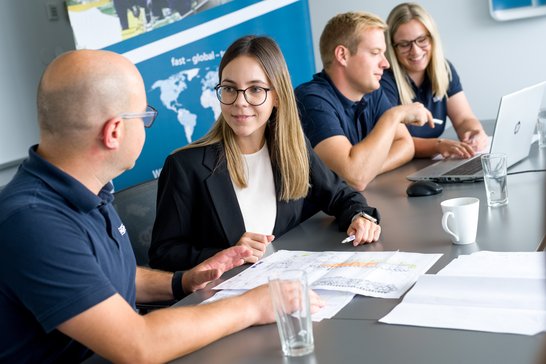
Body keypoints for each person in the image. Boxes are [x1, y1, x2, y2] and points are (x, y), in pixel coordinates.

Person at [0, 49, 323, 363]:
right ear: (114, 131)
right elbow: (138, 345)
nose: (146, 125)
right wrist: (254, 306)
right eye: (144, 116)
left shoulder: (87, 191)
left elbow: (105, 277)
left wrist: (184, 280)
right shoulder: (34, 221)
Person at [149, 35, 381, 272]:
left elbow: (342, 196)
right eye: (229, 89)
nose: (240, 101)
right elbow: (163, 254)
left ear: (277, 96)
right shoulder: (185, 166)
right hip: (225, 300)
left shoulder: (292, 150)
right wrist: (226, 255)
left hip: (283, 285)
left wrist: (360, 217)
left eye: (255, 89)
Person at [295, 11, 434, 192]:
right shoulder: (311, 99)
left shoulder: (371, 93)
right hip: (314, 219)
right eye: (375, 53)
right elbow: (356, 177)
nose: (385, 63)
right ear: (342, 55)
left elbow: (406, 146)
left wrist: (370, 167)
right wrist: (395, 114)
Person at [381, 2, 488, 159]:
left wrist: (474, 133)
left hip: (430, 164)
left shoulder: (444, 70)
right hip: (399, 170)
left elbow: (464, 119)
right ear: (392, 47)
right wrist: (439, 145)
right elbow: (397, 141)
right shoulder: (384, 81)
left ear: (432, 38)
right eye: (404, 44)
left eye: (422, 39)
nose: (416, 51)